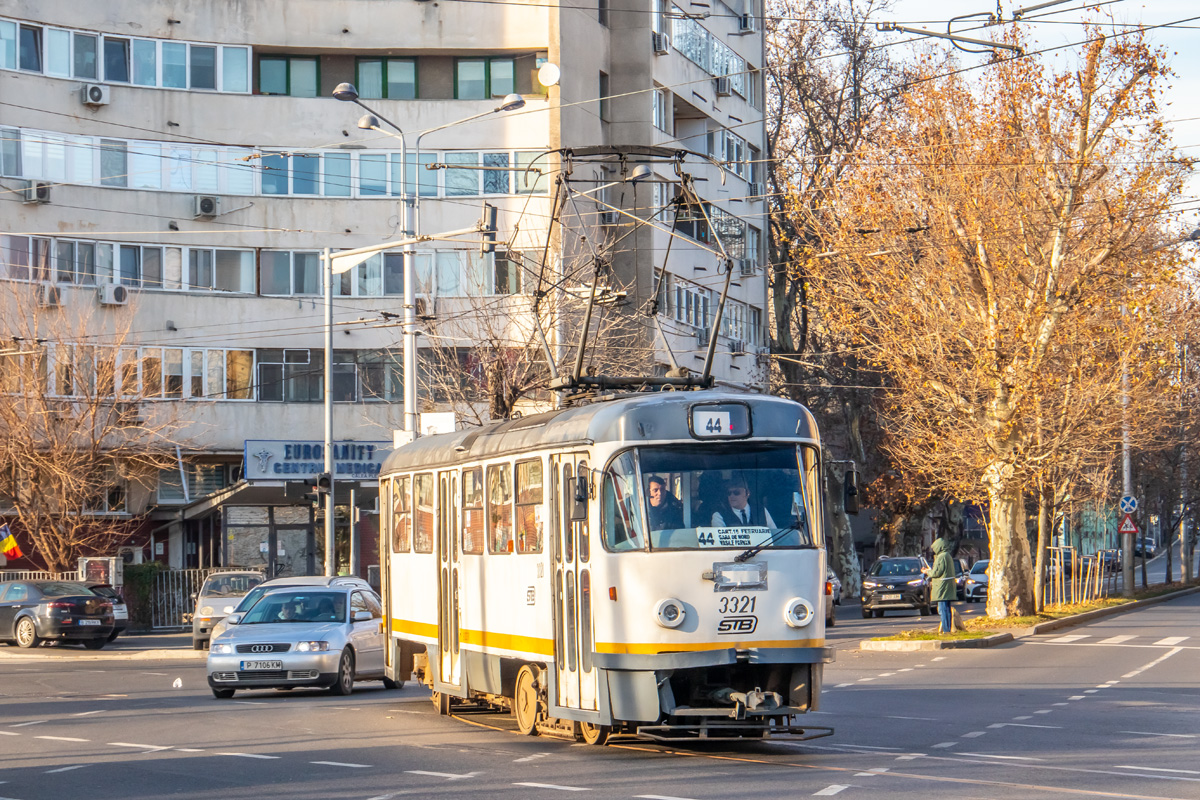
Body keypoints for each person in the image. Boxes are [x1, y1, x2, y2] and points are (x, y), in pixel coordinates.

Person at [712, 476, 776, 528]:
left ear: (747, 493)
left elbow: (774, 534)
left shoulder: (761, 511)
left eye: (736, 492)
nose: (732, 496)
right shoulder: (719, 516)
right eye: (729, 493)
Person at [924, 537, 957, 633]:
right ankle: (948, 629)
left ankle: (946, 630)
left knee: (942, 609)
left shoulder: (942, 557)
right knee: (946, 608)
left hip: (942, 586)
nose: (934, 551)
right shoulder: (947, 555)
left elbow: (936, 573)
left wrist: (927, 571)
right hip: (947, 585)